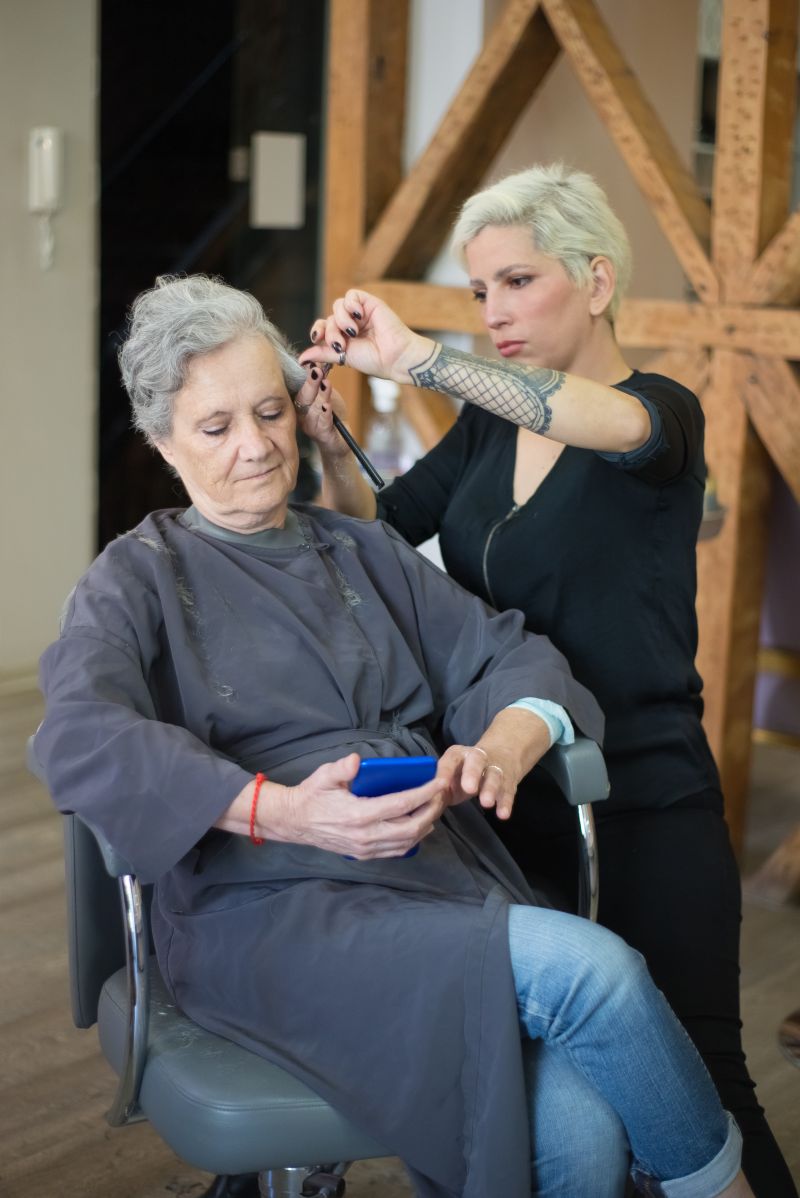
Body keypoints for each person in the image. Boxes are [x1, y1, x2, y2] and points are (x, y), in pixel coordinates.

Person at [35, 273, 755, 1198]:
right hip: (267, 909)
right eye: (216, 429)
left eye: (269, 412)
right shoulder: (131, 580)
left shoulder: (358, 551)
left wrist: (503, 744)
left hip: (430, 871)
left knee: (582, 1119)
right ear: (163, 442)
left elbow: (512, 656)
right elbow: (83, 735)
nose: (256, 448)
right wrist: (284, 812)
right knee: (597, 973)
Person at [298, 164, 797, 1198]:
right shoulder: (487, 427)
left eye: (518, 281)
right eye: (482, 292)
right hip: (510, 805)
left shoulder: (660, 413)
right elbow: (376, 544)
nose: (496, 313)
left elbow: (596, 422)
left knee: (705, 1082)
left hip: (645, 799)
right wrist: (325, 445)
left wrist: (423, 358)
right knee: (565, 1095)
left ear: (598, 281)